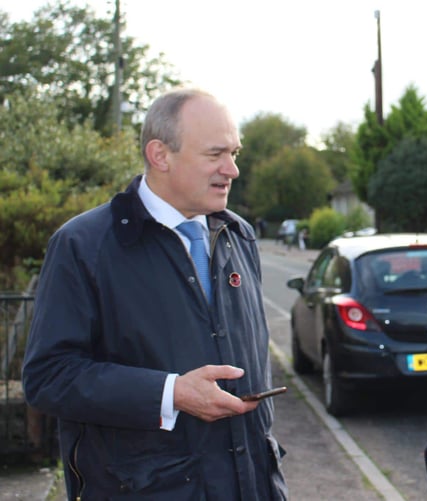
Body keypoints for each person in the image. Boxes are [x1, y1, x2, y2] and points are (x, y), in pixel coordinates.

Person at [22, 88, 288, 500]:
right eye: (215, 154)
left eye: (235, 153)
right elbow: (48, 377)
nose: (232, 169)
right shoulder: (83, 245)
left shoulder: (239, 236)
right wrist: (170, 393)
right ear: (160, 155)